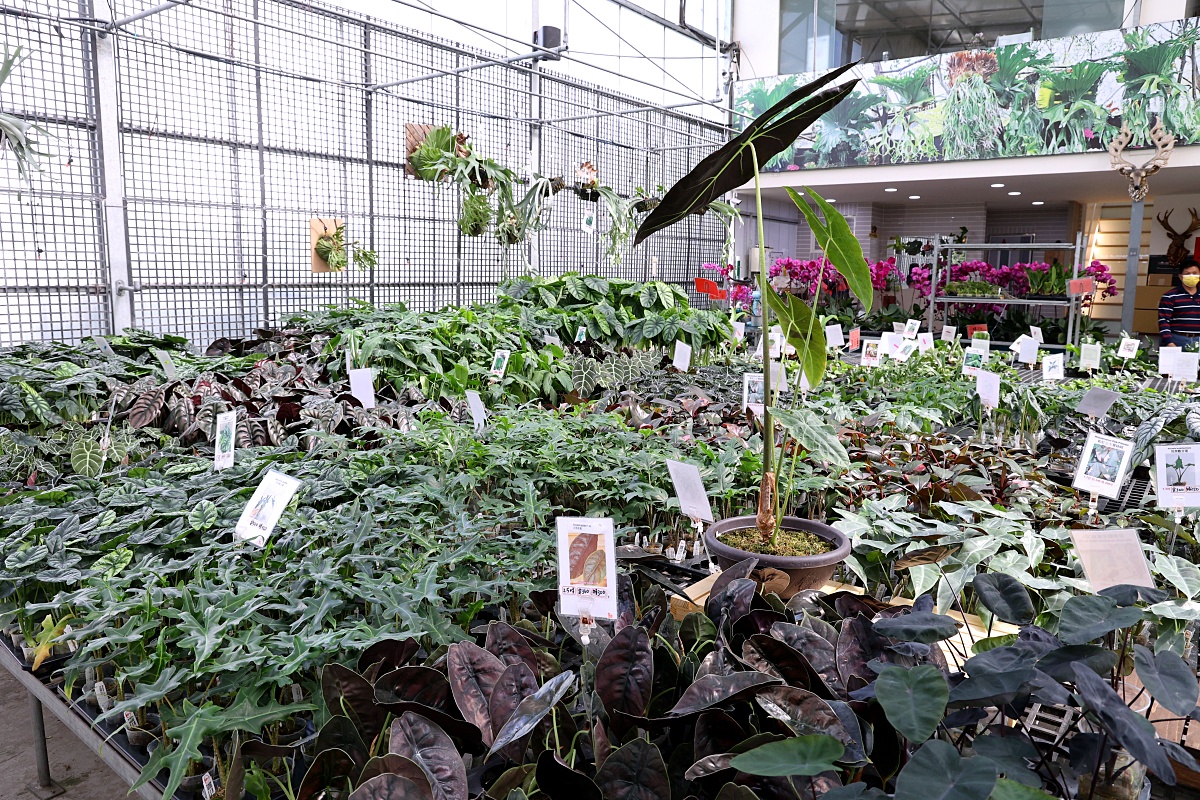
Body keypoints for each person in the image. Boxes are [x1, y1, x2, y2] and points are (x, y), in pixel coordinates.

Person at [1159, 259, 1200, 347]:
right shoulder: (1169, 296)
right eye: (1187, 274)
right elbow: (1163, 321)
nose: (1191, 276)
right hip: (1177, 339)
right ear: (1181, 277)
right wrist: (1169, 342)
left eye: (1195, 273)